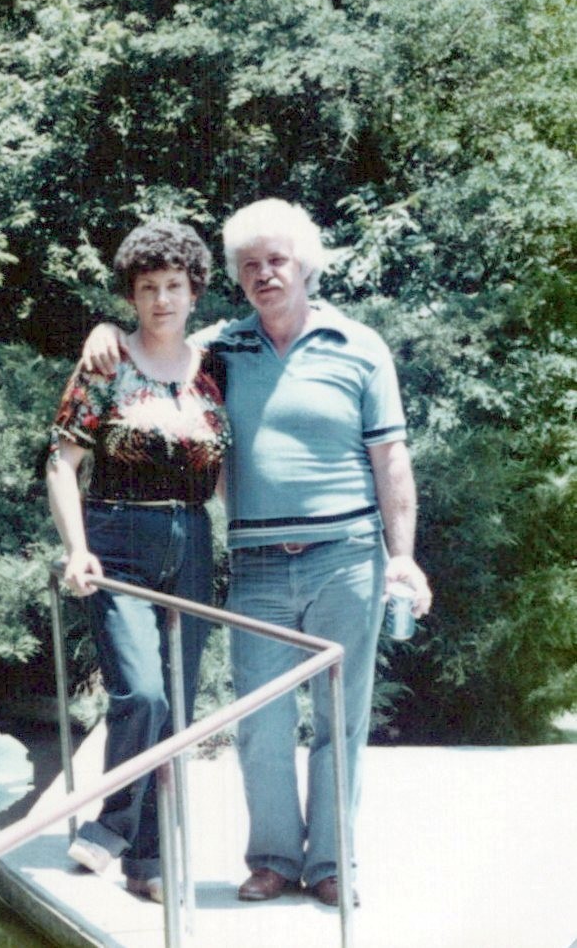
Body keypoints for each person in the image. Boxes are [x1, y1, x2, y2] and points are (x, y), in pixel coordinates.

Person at [80, 198, 433, 907]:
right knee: (259, 722)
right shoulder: (220, 350)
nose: (264, 274)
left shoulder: (360, 346)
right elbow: (158, 337)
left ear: (304, 264)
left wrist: (403, 556)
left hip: (346, 557)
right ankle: (272, 858)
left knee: (340, 718)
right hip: (258, 563)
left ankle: (331, 863)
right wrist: (107, 331)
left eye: (276, 260)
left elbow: (391, 460)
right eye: (248, 265)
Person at [46, 221, 231, 903]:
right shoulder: (106, 360)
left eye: (173, 286)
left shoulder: (215, 367)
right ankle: (110, 825)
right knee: (143, 694)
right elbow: (61, 462)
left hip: (192, 540)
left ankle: (147, 860)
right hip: (118, 537)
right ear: (131, 294)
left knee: (176, 708)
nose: (161, 300)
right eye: (147, 287)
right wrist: (77, 548)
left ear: (194, 292)